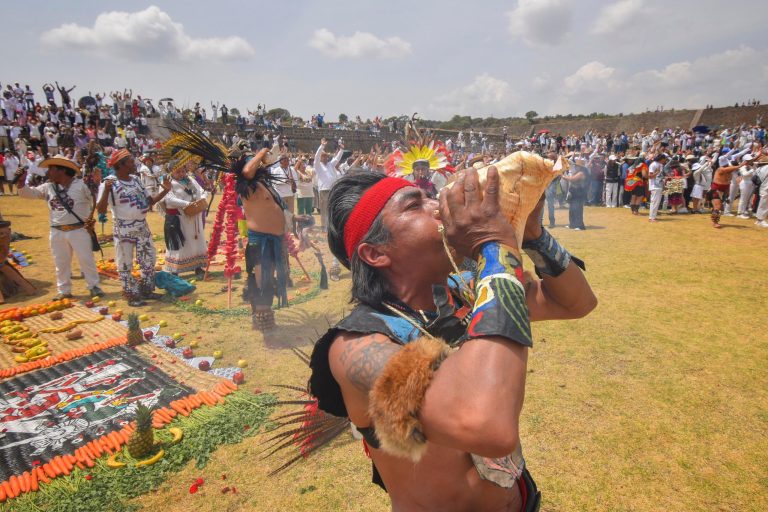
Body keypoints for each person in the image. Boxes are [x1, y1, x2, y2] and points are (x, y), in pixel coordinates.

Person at [307, 168, 595, 511]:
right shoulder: (357, 345)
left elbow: (576, 302)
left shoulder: (465, 291)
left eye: (430, 196)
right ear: (376, 254)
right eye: (415, 205)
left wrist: (532, 234)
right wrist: (493, 246)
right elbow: (488, 426)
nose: (439, 206)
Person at [16, 155, 104, 299]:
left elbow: (96, 199)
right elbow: (29, 194)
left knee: (86, 259)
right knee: (61, 263)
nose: (48, 172)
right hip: (57, 231)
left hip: (79, 230)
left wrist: (95, 185)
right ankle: (64, 290)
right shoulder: (48, 187)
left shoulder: (81, 185)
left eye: (52, 169)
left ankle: (94, 286)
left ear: (62, 170)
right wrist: (21, 182)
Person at [96, 149, 171, 306]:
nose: (134, 163)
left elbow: (149, 202)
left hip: (142, 226)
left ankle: (147, 290)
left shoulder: (136, 180)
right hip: (123, 229)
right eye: (130, 161)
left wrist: (166, 190)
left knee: (148, 258)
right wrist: (106, 191)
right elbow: (101, 209)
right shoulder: (109, 183)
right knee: (125, 262)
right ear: (121, 165)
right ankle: (131, 295)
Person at [236, 145, 288, 331]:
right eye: (259, 163)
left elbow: (275, 208)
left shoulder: (263, 185)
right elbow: (247, 171)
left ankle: (263, 317)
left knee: (268, 276)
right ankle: (262, 319)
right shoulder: (247, 186)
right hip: (260, 241)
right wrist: (262, 151)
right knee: (261, 279)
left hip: (273, 240)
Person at [162, 161, 208, 277]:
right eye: (178, 172)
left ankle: (198, 267)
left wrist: (201, 199)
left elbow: (202, 191)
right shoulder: (168, 183)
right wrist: (187, 204)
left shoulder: (191, 180)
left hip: (194, 217)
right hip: (179, 219)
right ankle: (175, 270)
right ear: (171, 171)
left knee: (197, 241)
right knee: (180, 243)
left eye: (183, 171)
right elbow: (168, 200)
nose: (181, 174)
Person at [563, 157, 588, 230]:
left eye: (577, 166)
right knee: (572, 209)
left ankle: (580, 226)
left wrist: (563, 176)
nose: (575, 166)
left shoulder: (581, 173)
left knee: (578, 209)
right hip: (574, 193)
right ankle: (572, 224)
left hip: (579, 193)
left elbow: (572, 179)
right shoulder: (577, 172)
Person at [647, 154, 668, 222]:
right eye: (665, 159)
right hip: (654, 186)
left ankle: (653, 217)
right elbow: (650, 176)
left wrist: (663, 185)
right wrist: (657, 172)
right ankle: (651, 217)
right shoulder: (653, 165)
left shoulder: (660, 165)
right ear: (661, 159)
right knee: (654, 202)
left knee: (656, 202)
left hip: (659, 186)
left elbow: (660, 176)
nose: (665, 160)